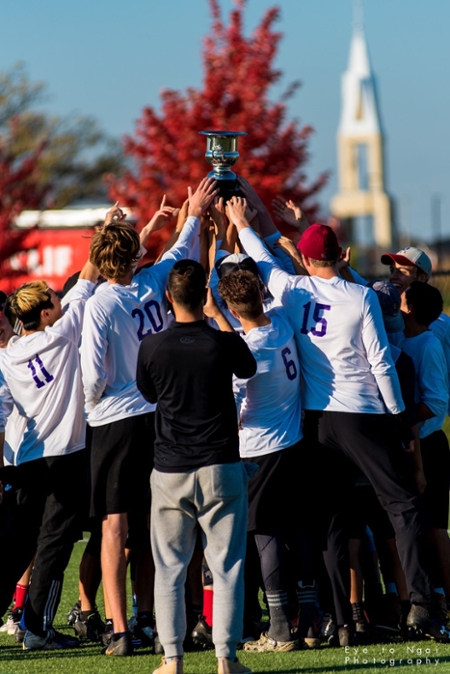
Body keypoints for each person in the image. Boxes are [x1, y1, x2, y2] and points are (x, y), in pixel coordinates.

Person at [226, 193, 450, 643]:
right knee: (403, 505)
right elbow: (381, 361)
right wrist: (397, 416)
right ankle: (423, 605)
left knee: (328, 518)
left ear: (307, 259)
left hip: (313, 418)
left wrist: (240, 221)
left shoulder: (293, 289)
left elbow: (262, 258)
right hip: (362, 412)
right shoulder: (361, 296)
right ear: (339, 256)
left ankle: (338, 618)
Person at [80, 178, 218, 656]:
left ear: (100, 260)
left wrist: (92, 406)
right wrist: (195, 211)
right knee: (153, 524)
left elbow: (92, 373)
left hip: (116, 420)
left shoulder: (99, 303)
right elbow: (181, 248)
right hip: (158, 414)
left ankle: (120, 630)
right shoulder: (153, 280)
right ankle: (149, 619)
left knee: (113, 528)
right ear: (136, 255)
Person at [136, 259, 256, 674]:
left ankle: (173, 659)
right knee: (226, 567)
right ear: (206, 295)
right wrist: (217, 314)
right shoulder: (221, 343)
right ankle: (226, 658)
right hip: (220, 464)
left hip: (171, 467)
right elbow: (249, 366)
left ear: (168, 297)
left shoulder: (152, 346)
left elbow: (148, 393)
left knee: (169, 568)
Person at [0, 257, 98, 650]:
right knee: (54, 544)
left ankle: (29, 624)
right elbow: (90, 277)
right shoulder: (61, 334)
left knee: (15, 547)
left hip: (25, 461)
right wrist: (108, 234)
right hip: (63, 456)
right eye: (54, 299)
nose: (60, 301)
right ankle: (37, 628)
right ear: (44, 312)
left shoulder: (7, 355)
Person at [218, 269, 318, 652]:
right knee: (297, 529)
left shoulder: (251, 348)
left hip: (260, 447)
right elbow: (249, 322)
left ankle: (279, 628)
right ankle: (308, 622)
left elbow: (233, 401)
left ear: (230, 307)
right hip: (293, 440)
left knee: (265, 533)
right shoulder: (281, 321)